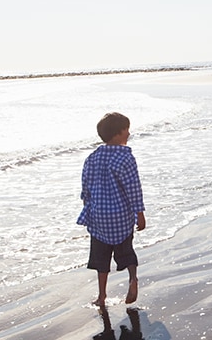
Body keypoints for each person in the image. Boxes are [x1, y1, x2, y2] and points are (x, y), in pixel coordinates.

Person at [77, 112, 147, 305]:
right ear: (118, 133)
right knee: (126, 251)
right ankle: (133, 278)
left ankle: (101, 295)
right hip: (120, 215)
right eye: (126, 129)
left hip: (99, 216)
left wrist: (88, 208)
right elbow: (133, 187)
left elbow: (86, 187)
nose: (129, 133)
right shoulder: (125, 157)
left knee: (101, 258)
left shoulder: (92, 158)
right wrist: (139, 213)